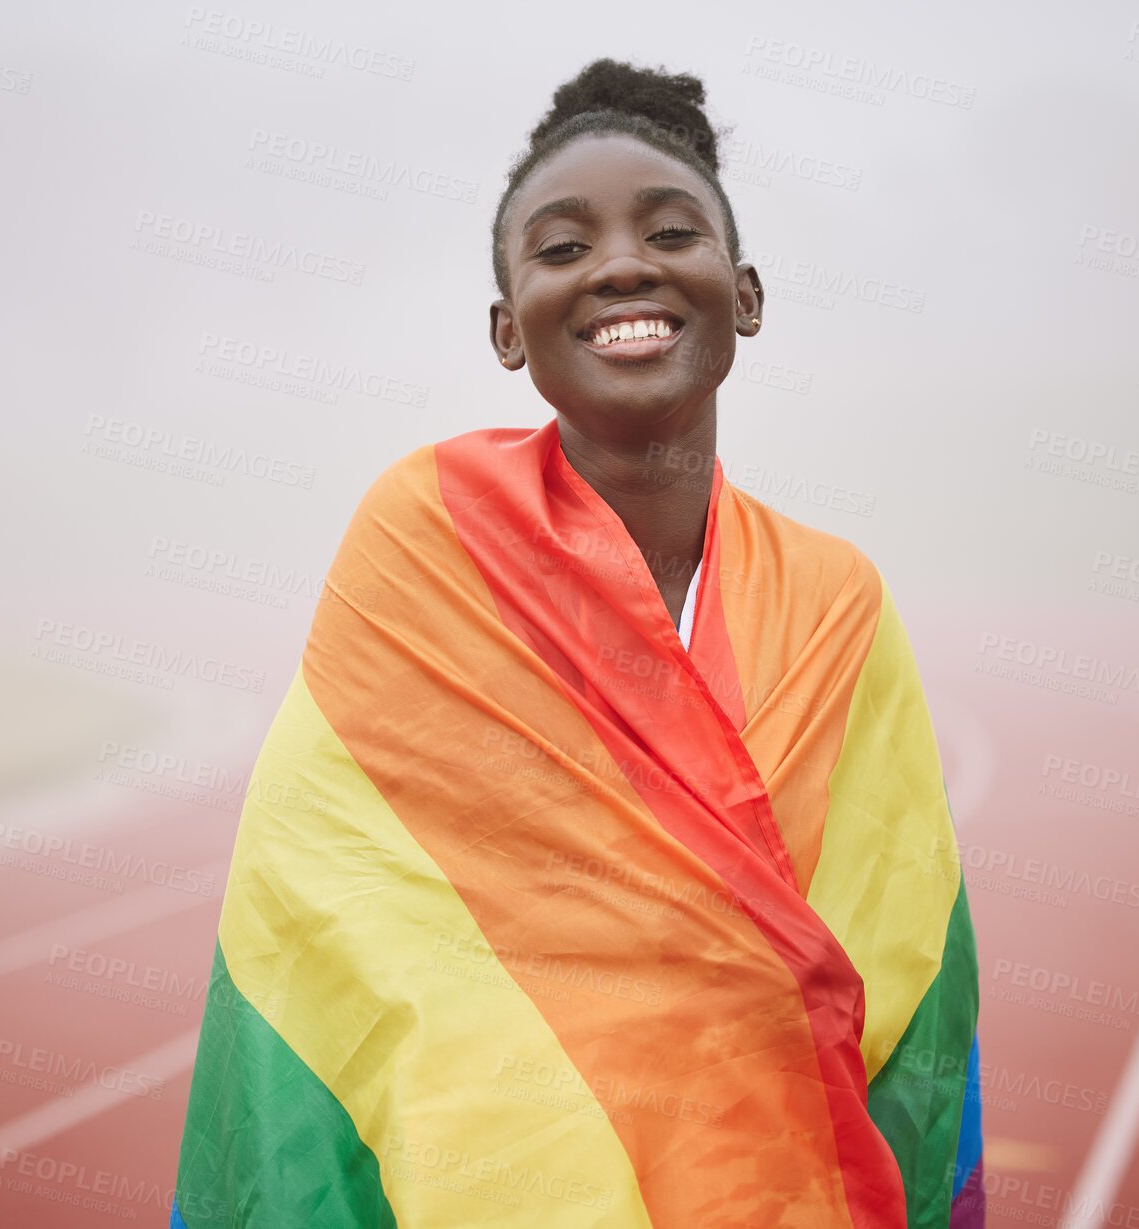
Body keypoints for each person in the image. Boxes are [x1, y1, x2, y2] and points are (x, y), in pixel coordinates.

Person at [170, 58, 984, 1229]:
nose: (619, 265)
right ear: (508, 328)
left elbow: (907, 942)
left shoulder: (834, 600)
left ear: (744, 293)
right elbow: (327, 909)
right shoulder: (420, 546)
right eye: (560, 249)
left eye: (670, 230)